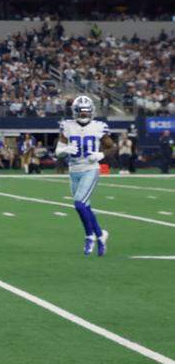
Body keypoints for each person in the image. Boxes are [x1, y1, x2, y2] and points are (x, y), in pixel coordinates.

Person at [55, 95, 114, 256]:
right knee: (84, 206)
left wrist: (100, 155)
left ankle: (90, 236)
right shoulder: (67, 126)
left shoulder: (99, 126)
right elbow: (58, 151)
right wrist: (64, 150)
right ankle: (101, 235)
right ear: (75, 111)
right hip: (73, 170)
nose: (84, 114)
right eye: (81, 112)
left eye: (87, 111)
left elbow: (111, 147)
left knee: (79, 204)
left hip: (90, 168)